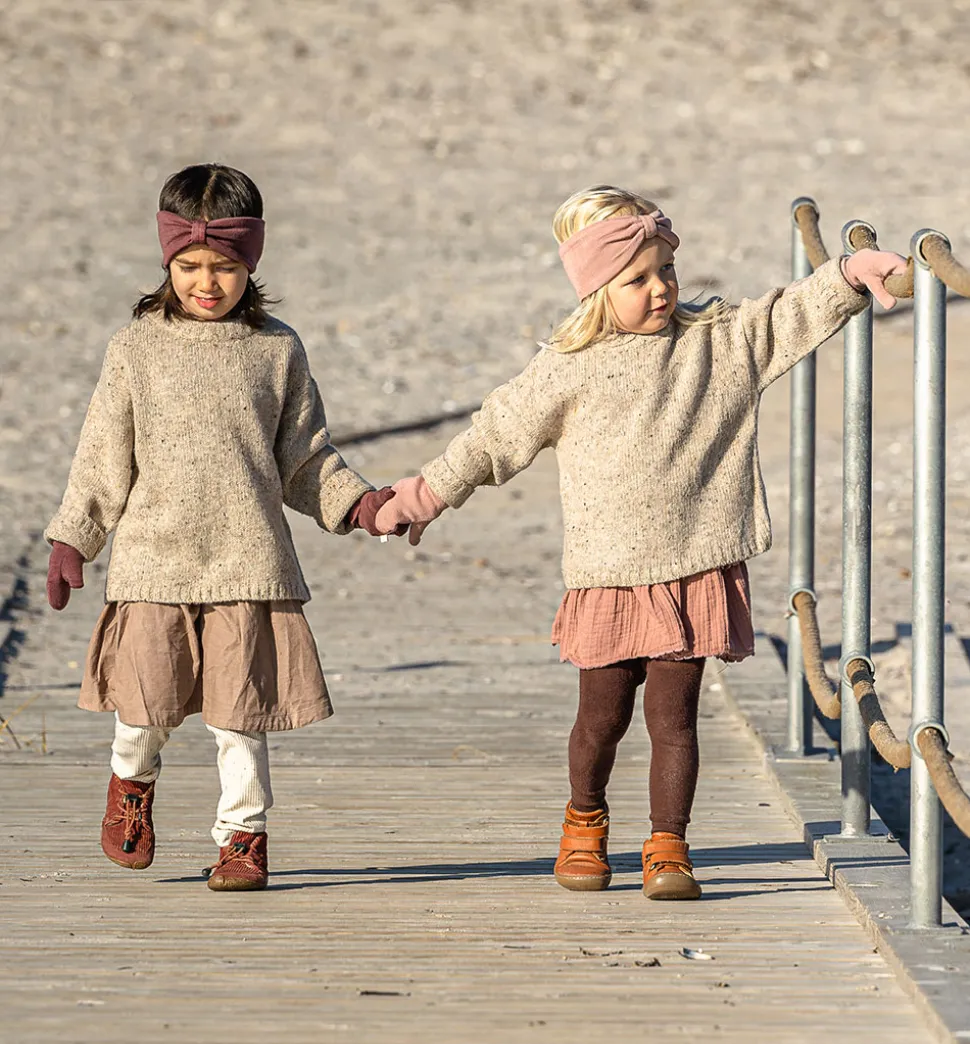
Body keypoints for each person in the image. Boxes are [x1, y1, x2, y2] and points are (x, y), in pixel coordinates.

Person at [372, 184, 907, 900]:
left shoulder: (716, 343)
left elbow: (787, 315)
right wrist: (425, 494)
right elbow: (494, 436)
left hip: (692, 569)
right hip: (609, 577)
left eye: (667, 272)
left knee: (673, 720)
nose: (659, 290)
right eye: (636, 280)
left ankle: (668, 845)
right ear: (596, 290)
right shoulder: (568, 366)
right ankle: (584, 823)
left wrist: (846, 276)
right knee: (601, 717)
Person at [45, 163, 393, 891]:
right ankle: (130, 789)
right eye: (190, 265)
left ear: (252, 262)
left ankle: (244, 837)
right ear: (167, 260)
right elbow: (103, 456)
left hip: (246, 561)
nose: (207, 282)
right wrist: (74, 537)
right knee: (144, 707)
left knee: (242, 718)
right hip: (153, 564)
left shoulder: (276, 350)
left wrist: (358, 502)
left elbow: (304, 459)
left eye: (225, 267)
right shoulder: (135, 348)